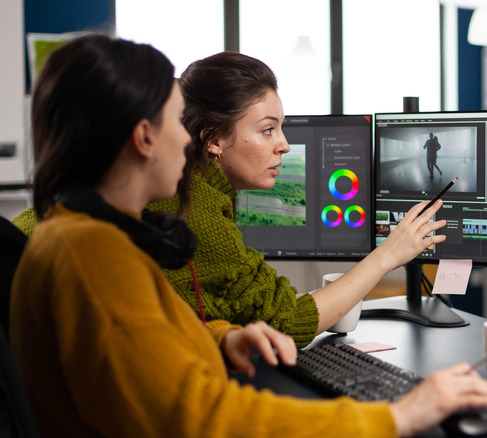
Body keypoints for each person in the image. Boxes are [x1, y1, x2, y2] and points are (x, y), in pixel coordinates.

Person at [11, 34, 487, 438]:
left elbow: (134, 345)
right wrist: (398, 415)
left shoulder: (73, 232)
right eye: (173, 122)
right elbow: (208, 419)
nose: (185, 138)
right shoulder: (100, 259)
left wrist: (221, 338)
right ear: (144, 138)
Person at [12, 52, 453, 349]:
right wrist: (388, 255)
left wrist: (222, 336)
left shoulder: (82, 205)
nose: (284, 144)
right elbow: (288, 322)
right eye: (267, 130)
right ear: (212, 140)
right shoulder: (187, 212)